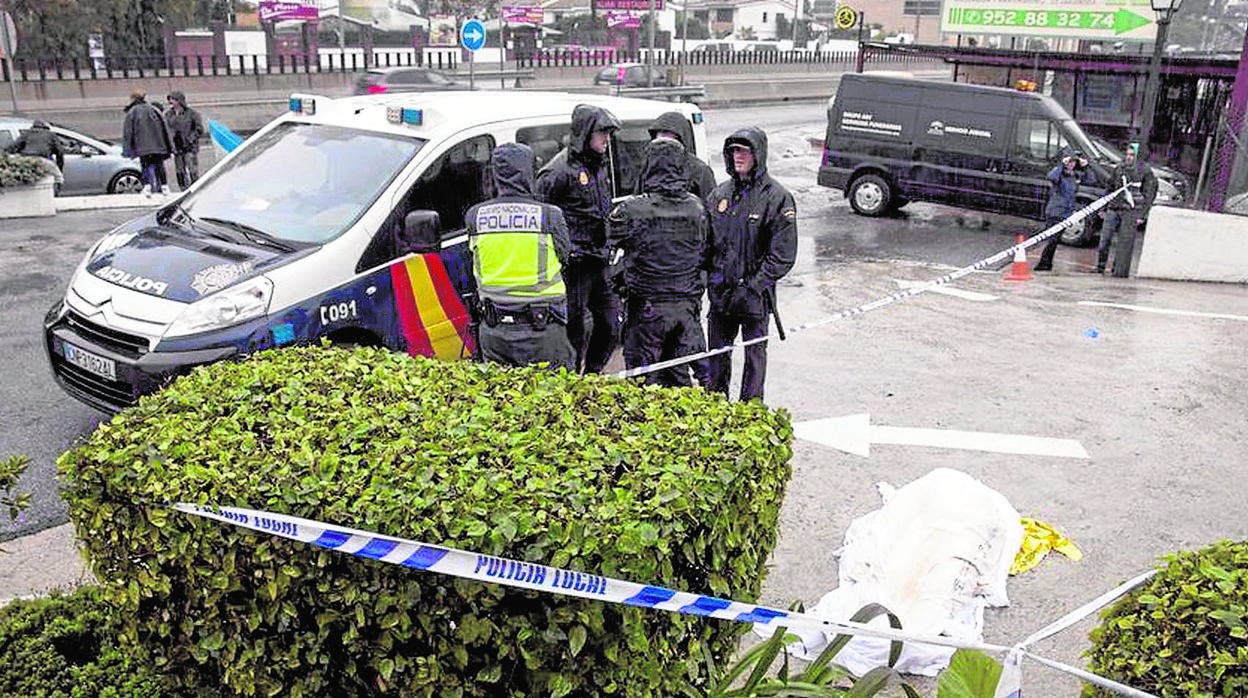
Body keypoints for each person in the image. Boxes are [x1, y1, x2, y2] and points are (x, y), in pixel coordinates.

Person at [609, 137, 710, 388]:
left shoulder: (631, 210)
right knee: (679, 379)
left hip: (647, 311)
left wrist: (619, 280)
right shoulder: (697, 208)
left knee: (643, 385)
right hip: (686, 310)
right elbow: (706, 253)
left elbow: (606, 247)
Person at [705, 127, 797, 403]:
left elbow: (782, 255)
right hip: (722, 297)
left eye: (744, 151)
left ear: (758, 154)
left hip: (755, 298)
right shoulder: (719, 195)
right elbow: (706, 245)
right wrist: (712, 282)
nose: (738, 156)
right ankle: (716, 408)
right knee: (717, 358)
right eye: (734, 150)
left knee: (755, 360)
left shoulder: (777, 197)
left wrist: (752, 286)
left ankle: (751, 411)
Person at [466, 143, 575, 370]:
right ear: (529, 171)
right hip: (541, 331)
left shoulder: (475, 216)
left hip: (494, 331)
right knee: (552, 398)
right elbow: (565, 257)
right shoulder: (549, 215)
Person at [536, 104, 622, 374]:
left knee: (610, 324)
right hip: (574, 266)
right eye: (602, 133)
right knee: (573, 327)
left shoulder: (598, 165)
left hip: (599, 261)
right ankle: (572, 379)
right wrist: (565, 252)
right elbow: (542, 217)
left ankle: (593, 372)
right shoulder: (558, 171)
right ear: (585, 133)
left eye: (608, 134)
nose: (606, 140)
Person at [1095, 142, 1156, 277]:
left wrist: (1142, 215)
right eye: (1128, 154)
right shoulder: (1119, 168)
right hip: (1114, 207)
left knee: (1123, 243)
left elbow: (1149, 194)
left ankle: (1117, 269)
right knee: (1104, 240)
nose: (1129, 157)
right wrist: (1103, 207)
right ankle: (1100, 267)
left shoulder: (1145, 171)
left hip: (1130, 210)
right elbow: (1110, 188)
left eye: (1132, 155)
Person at [636, 111, 717, 200]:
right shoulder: (649, 166)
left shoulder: (700, 170)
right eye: (660, 133)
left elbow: (710, 205)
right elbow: (638, 198)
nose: (663, 138)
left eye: (668, 134)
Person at [1034, 151, 1088, 272]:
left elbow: (1090, 179)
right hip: (1054, 212)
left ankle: (1047, 264)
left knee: (1055, 240)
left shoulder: (1074, 176)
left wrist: (1086, 167)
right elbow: (1052, 177)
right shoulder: (1059, 174)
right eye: (1069, 162)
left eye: (1074, 162)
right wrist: (1061, 165)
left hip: (1066, 213)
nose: (1071, 164)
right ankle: (1043, 264)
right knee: (1052, 240)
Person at [122, 88, 173, 196]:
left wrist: (127, 150)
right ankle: (165, 186)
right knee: (160, 165)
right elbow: (165, 129)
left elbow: (128, 132)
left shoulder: (132, 112)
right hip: (158, 145)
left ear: (133, 98)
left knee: (145, 165)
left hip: (143, 146)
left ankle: (147, 187)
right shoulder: (154, 110)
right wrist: (170, 147)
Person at [5, 120, 65, 191]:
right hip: (43, 160)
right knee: (58, 178)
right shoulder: (51, 135)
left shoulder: (27, 134)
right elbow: (60, 152)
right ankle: (55, 193)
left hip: (27, 159)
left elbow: (12, 147)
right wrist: (59, 167)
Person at [166, 90, 204, 189]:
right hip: (177, 147)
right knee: (180, 170)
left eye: (173, 99)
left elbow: (199, 129)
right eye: (170, 99)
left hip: (189, 147)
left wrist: (191, 139)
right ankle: (183, 189)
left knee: (192, 169)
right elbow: (166, 128)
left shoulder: (192, 114)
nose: (171, 102)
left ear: (179, 101)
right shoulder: (168, 114)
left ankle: (195, 188)